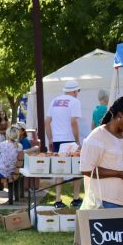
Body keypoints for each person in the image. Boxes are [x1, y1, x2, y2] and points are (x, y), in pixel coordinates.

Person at [46, 79, 83, 208]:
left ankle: (57, 199)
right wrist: (77, 140)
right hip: (70, 139)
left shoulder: (54, 101)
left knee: (59, 169)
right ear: (74, 91)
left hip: (57, 139)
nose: (78, 93)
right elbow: (73, 122)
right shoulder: (75, 102)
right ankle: (76, 198)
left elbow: (47, 122)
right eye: (78, 90)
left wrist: (50, 139)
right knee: (76, 169)